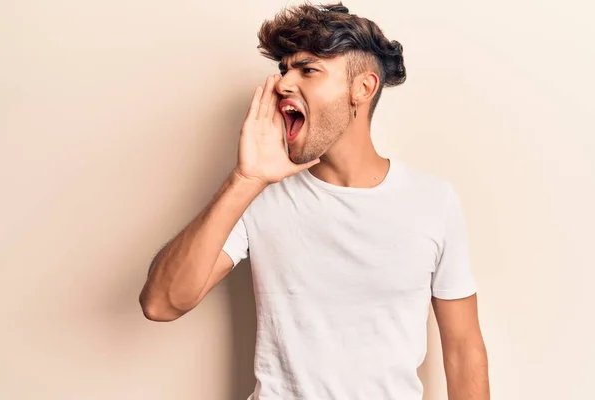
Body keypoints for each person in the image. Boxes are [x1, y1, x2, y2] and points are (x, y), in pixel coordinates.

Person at [139, 2, 490, 399]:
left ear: (363, 88)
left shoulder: (433, 201)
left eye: (308, 70)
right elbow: (162, 304)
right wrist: (245, 179)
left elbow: (463, 351)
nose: (284, 84)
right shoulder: (257, 195)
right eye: (283, 69)